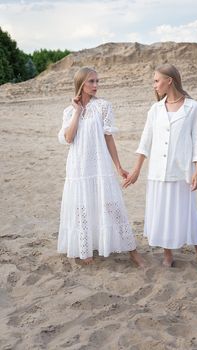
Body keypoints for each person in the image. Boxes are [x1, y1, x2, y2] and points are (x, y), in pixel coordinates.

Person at [123, 63, 197, 269]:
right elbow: (145, 141)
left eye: (156, 80)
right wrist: (136, 170)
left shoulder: (193, 107)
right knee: (162, 213)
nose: (154, 85)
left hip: (182, 171)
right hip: (157, 171)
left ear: (169, 80)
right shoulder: (155, 109)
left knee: (189, 213)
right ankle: (168, 255)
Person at [57, 66, 143, 266]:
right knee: (81, 206)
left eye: (97, 81)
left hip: (100, 165)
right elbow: (69, 138)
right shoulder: (69, 111)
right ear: (81, 84)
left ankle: (133, 251)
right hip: (78, 166)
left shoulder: (103, 106)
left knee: (112, 205)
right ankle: (85, 249)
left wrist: (118, 166)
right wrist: (78, 111)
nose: (96, 85)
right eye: (91, 81)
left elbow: (108, 138)